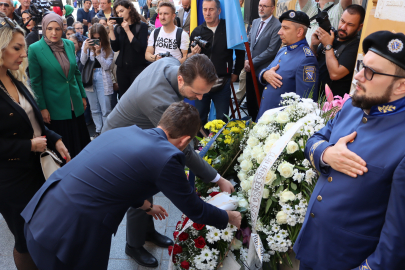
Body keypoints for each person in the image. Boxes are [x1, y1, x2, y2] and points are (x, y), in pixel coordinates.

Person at [22, 101, 242, 270]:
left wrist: (146, 206)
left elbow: (117, 179)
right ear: (185, 141)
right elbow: (196, 210)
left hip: (41, 214)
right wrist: (229, 218)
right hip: (69, 236)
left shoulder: (126, 131)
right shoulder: (167, 157)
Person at [102, 54, 236, 267]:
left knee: (148, 185)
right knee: (138, 188)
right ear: (181, 80)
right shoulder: (159, 101)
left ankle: (147, 232)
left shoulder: (172, 65)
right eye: (196, 93)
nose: (200, 99)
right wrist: (217, 179)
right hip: (120, 142)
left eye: (204, 93)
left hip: (138, 133)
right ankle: (133, 244)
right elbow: (185, 151)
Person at [294, 31, 405, 270]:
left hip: (348, 260)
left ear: (401, 86)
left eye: (370, 72)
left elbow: (397, 238)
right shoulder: (355, 105)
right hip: (313, 245)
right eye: (362, 66)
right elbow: (316, 138)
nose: (358, 76)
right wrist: (327, 153)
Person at [0, 12, 69, 270]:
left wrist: (55, 138)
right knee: (24, 237)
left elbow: (31, 121)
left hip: (36, 170)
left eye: (24, 48)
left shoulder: (15, 76)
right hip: (11, 180)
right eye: (17, 48)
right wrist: (29, 146)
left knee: (43, 230)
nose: (23, 55)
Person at [28, 13, 91, 159]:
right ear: (44, 28)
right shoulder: (35, 49)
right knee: (64, 149)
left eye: (57, 28)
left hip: (74, 103)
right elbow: (36, 82)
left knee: (81, 147)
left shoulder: (68, 44)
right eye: (50, 28)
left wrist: (82, 95)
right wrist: (42, 107)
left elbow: (75, 73)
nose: (54, 33)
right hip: (54, 107)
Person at [187, 0, 244, 124]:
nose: (207, 13)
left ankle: (219, 143)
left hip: (222, 82)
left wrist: (236, 72)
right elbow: (188, 57)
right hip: (201, 83)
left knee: (222, 119)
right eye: (204, 9)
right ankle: (201, 143)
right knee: (199, 118)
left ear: (219, 11)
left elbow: (240, 51)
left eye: (211, 9)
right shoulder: (197, 32)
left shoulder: (229, 28)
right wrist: (193, 53)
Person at [256, 10, 319, 120]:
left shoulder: (307, 60)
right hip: (265, 118)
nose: (279, 32)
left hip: (280, 126)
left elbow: (306, 104)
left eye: (285, 28)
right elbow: (265, 70)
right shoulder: (283, 50)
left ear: (299, 32)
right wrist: (265, 74)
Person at [310, 4, 364, 97]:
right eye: (342, 21)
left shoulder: (356, 46)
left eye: (350, 25)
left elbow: (335, 74)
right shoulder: (331, 35)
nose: (343, 27)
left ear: (359, 27)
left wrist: (328, 45)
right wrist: (314, 45)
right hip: (313, 96)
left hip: (333, 105)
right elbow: (311, 63)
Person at [243, 0, 281, 121]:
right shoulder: (255, 22)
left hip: (264, 72)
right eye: (260, 5)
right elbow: (248, 43)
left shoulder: (277, 26)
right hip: (250, 70)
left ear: (272, 8)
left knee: (261, 104)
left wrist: (251, 61)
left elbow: (271, 50)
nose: (261, 8)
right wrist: (245, 60)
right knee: (250, 103)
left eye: (265, 6)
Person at [81, 23, 116, 138]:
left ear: (103, 37)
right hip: (89, 78)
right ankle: (98, 130)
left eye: (98, 38)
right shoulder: (87, 44)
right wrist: (85, 49)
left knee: (106, 108)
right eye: (93, 38)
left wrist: (98, 54)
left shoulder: (108, 48)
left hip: (103, 77)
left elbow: (107, 67)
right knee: (94, 108)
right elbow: (82, 61)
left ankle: (105, 132)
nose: (96, 41)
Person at [109, 0, 148, 98]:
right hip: (122, 68)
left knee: (137, 97)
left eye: (122, 11)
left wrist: (127, 30)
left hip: (137, 67)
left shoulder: (141, 26)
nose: (120, 14)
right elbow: (115, 48)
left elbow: (139, 48)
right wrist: (110, 29)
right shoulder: (118, 28)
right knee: (123, 97)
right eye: (117, 12)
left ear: (129, 8)